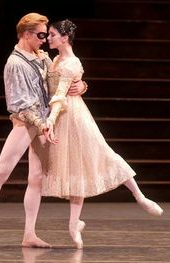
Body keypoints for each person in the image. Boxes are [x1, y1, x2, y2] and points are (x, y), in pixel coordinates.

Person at [0, 13, 87, 249]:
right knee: (1, 172)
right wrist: (42, 124)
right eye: (40, 34)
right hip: (27, 123)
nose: (45, 38)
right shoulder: (15, 63)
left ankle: (29, 233)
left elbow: (62, 79)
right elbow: (20, 104)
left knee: (35, 179)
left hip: (44, 123)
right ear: (26, 34)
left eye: (46, 34)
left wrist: (82, 85)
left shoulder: (41, 56)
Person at [41, 19, 164, 249]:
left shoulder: (70, 63)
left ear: (65, 38)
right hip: (64, 116)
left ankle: (140, 197)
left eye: (52, 34)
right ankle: (73, 224)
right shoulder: (57, 59)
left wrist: (50, 119)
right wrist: (82, 87)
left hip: (73, 116)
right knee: (75, 168)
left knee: (103, 154)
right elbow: (58, 89)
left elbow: (59, 96)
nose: (49, 38)